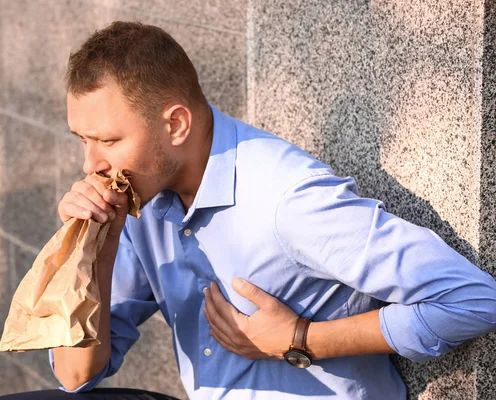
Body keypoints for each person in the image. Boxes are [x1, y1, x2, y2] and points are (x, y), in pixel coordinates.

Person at [49, 21, 496, 399]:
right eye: (82, 139)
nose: (91, 164)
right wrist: (94, 250)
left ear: (176, 124)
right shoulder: (137, 203)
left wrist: (300, 339)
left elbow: (474, 300)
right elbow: (75, 376)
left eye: (108, 141)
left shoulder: (289, 200)